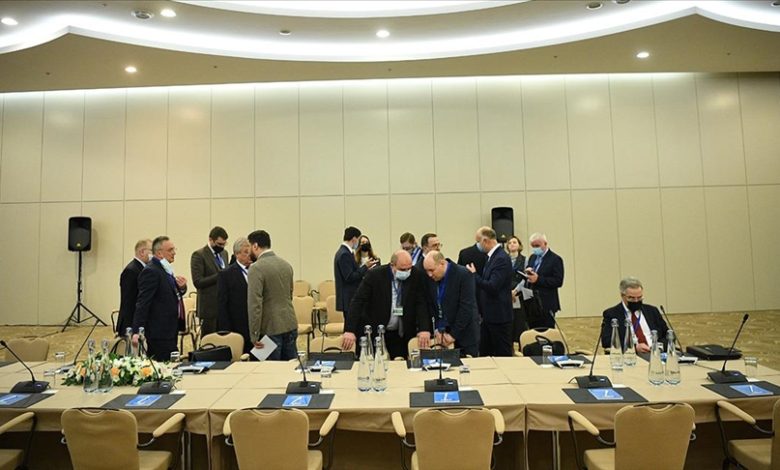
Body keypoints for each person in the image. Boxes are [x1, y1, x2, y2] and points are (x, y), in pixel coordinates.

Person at [342, 250, 432, 358]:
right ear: (392, 265)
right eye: (403, 269)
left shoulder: (415, 275)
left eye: (409, 268)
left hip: (401, 332)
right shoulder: (375, 275)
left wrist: (424, 328)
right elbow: (358, 301)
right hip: (377, 331)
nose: (407, 272)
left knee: (400, 363)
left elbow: (421, 303)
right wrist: (349, 330)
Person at [133, 236, 187, 361]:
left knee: (171, 363)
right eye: (170, 250)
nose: (174, 253)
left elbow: (170, 294)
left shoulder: (164, 269)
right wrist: (137, 331)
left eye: (174, 249)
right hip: (159, 332)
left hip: (169, 329)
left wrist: (182, 287)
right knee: (164, 366)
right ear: (159, 253)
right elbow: (143, 303)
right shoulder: (151, 271)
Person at [246, 230, 298, 361]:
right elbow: (290, 294)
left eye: (249, 247)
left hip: (269, 329)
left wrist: (254, 334)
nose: (248, 251)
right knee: (290, 367)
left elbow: (255, 304)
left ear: (255, 246)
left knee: (270, 370)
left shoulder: (256, 268)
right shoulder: (286, 265)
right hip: (290, 323)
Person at [466, 227, 514, 357]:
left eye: (478, 241)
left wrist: (474, 275)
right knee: (485, 354)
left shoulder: (501, 258)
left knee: (502, 355)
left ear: (485, 241)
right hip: (489, 316)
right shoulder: (491, 257)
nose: (477, 245)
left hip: (499, 317)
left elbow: (493, 286)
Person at [423, 251, 480, 357]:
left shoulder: (463, 274)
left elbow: (466, 308)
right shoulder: (431, 279)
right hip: (442, 335)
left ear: (442, 263)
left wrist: (453, 335)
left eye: (431, 270)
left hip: (464, 335)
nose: (429, 274)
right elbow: (431, 305)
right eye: (426, 271)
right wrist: (437, 329)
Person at [601, 277, 669, 352]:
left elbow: (668, 335)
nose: (636, 301)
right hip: (630, 355)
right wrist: (634, 347)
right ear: (622, 295)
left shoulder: (652, 311)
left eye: (639, 297)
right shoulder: (611, 314)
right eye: (631, 298)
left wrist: (658, 346)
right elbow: (607, 341)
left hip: (656, 353)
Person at [334, 226, 377, 329]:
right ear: (354, 239)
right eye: (358, 239)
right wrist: (365, 267)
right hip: (349, 298)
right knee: (351, 328)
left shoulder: (344, 252)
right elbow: (350, 277)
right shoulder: (344, 254)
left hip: (349, 297)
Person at [191, 226, 229, 336]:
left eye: (224, 244)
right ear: (211, 240)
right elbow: (198, 282)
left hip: (223, 306)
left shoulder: (224, 254)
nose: (221, 247)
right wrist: (219, 276)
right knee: (209, 340)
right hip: (209, 309)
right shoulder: (199, 255)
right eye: (219, 244)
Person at [217, 237, 252, 354]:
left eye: (250, 252)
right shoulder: (226, 274)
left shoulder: (257, 270)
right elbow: (222, 304)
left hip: (256, 325)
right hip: (238, 324)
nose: (249, 255)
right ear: (237, 254)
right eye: (246, 252)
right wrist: (225, 330)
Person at [524, 232, 564, 329]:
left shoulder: (555, 259)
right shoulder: (532, 257)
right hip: (531, 302)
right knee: (532, 331)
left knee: (546, 331)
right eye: (533, 246)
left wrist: (538, 279)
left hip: (546, 303)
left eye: (537, 246)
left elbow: (558, 281)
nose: (535, 248)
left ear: (545, 243)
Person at [117, 239, 151, 336]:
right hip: (131, 323)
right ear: (142, 252)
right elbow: (129, 301)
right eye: (152, 251)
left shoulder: (143, 269)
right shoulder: (131, 271)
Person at [506, 235, 528, 342]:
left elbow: (526, 278)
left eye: (514, 242)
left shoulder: (525, 260)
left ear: (519, 245)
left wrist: (516, 290)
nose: (512, 244)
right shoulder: (503, 259)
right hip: (506, 294)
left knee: (520, 322)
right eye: (510, 243)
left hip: (520, 294)